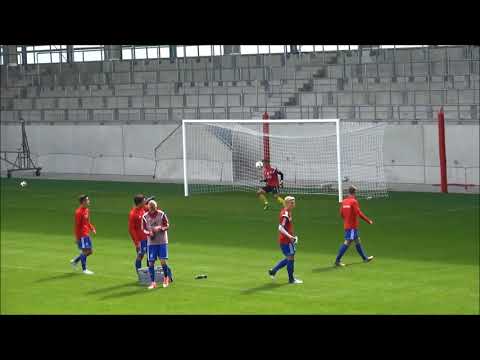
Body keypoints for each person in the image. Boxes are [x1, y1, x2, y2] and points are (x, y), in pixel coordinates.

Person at [334, 185, 374, 267]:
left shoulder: (344, 201)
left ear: (348, 192)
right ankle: (337, 260)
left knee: (357, 240)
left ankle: (365, 258)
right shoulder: (354, 201)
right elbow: (358, 213)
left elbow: (341, 213)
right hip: (352, 227)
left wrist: (347, 220)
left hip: (347, 225)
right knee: (348, 242)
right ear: (354, 192)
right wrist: (368, 220)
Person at [268, 196, 303, 284]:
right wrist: (290, 236)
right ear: (287, 203)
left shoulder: (288, 212)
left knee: (289, 257)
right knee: (290, 258)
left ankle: (273, 271)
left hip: (288, 240)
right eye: (292, 203)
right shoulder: (285, 214)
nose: (294, 204)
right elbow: (280, 227)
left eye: (294, 202)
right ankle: (291, 279)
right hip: (285, 241)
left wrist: (292, 236)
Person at [142, 200, 174, 289]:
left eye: (153, 208)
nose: (152, 210)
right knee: (151, 262)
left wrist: (160, 228)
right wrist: (149, 233)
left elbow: (167, 225)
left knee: (163, 260)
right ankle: (153, 282)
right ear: (148, 207)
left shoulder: (162, 214)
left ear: (156, 207)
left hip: (162, 241)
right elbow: (143, 229)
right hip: (151, 243)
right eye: (150, 208)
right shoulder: (145, 216)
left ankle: (166, 278)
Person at [71, 194, 96, 275]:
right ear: (83, 202)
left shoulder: (87, 210)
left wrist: (92, 228)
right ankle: (84, 269)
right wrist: (76, 237)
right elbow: (77, 226)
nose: (89, 201)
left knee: (90, 251)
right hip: (81, 235)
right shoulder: (78, 212)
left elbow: (87, 222)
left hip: (86, 233)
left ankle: (75, 261)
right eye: (87, 200)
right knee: (86, 251)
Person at [128, 194, 151, 273]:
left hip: (148, 237)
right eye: (144, 201)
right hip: (141, 240)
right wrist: (136, 243)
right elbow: (131, 229)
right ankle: (139, 274)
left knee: (150, 256)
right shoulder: (133, 214)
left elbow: (153, 209)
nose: (145, 202)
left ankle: (150, 273)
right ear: (140, 202)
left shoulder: (144, 208)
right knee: (140, 256)